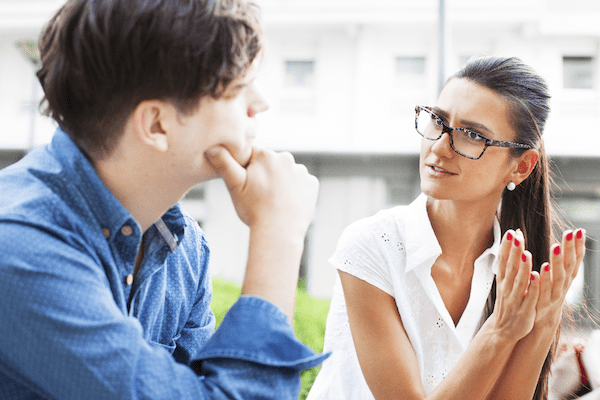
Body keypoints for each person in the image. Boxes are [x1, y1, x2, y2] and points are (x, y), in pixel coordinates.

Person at [0, 0, 327, 399]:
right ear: (156, 124)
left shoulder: (184, 246)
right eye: (239, 87)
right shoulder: (21, 248)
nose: (260, 103)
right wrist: (278, 235)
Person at [308, 55, 587, 400]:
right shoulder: (371, 245)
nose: (439, 146)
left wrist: (543, 321)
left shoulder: (515, 274)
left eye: (471, 134)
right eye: (438, 120)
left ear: (521, 167)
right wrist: (500, 330)